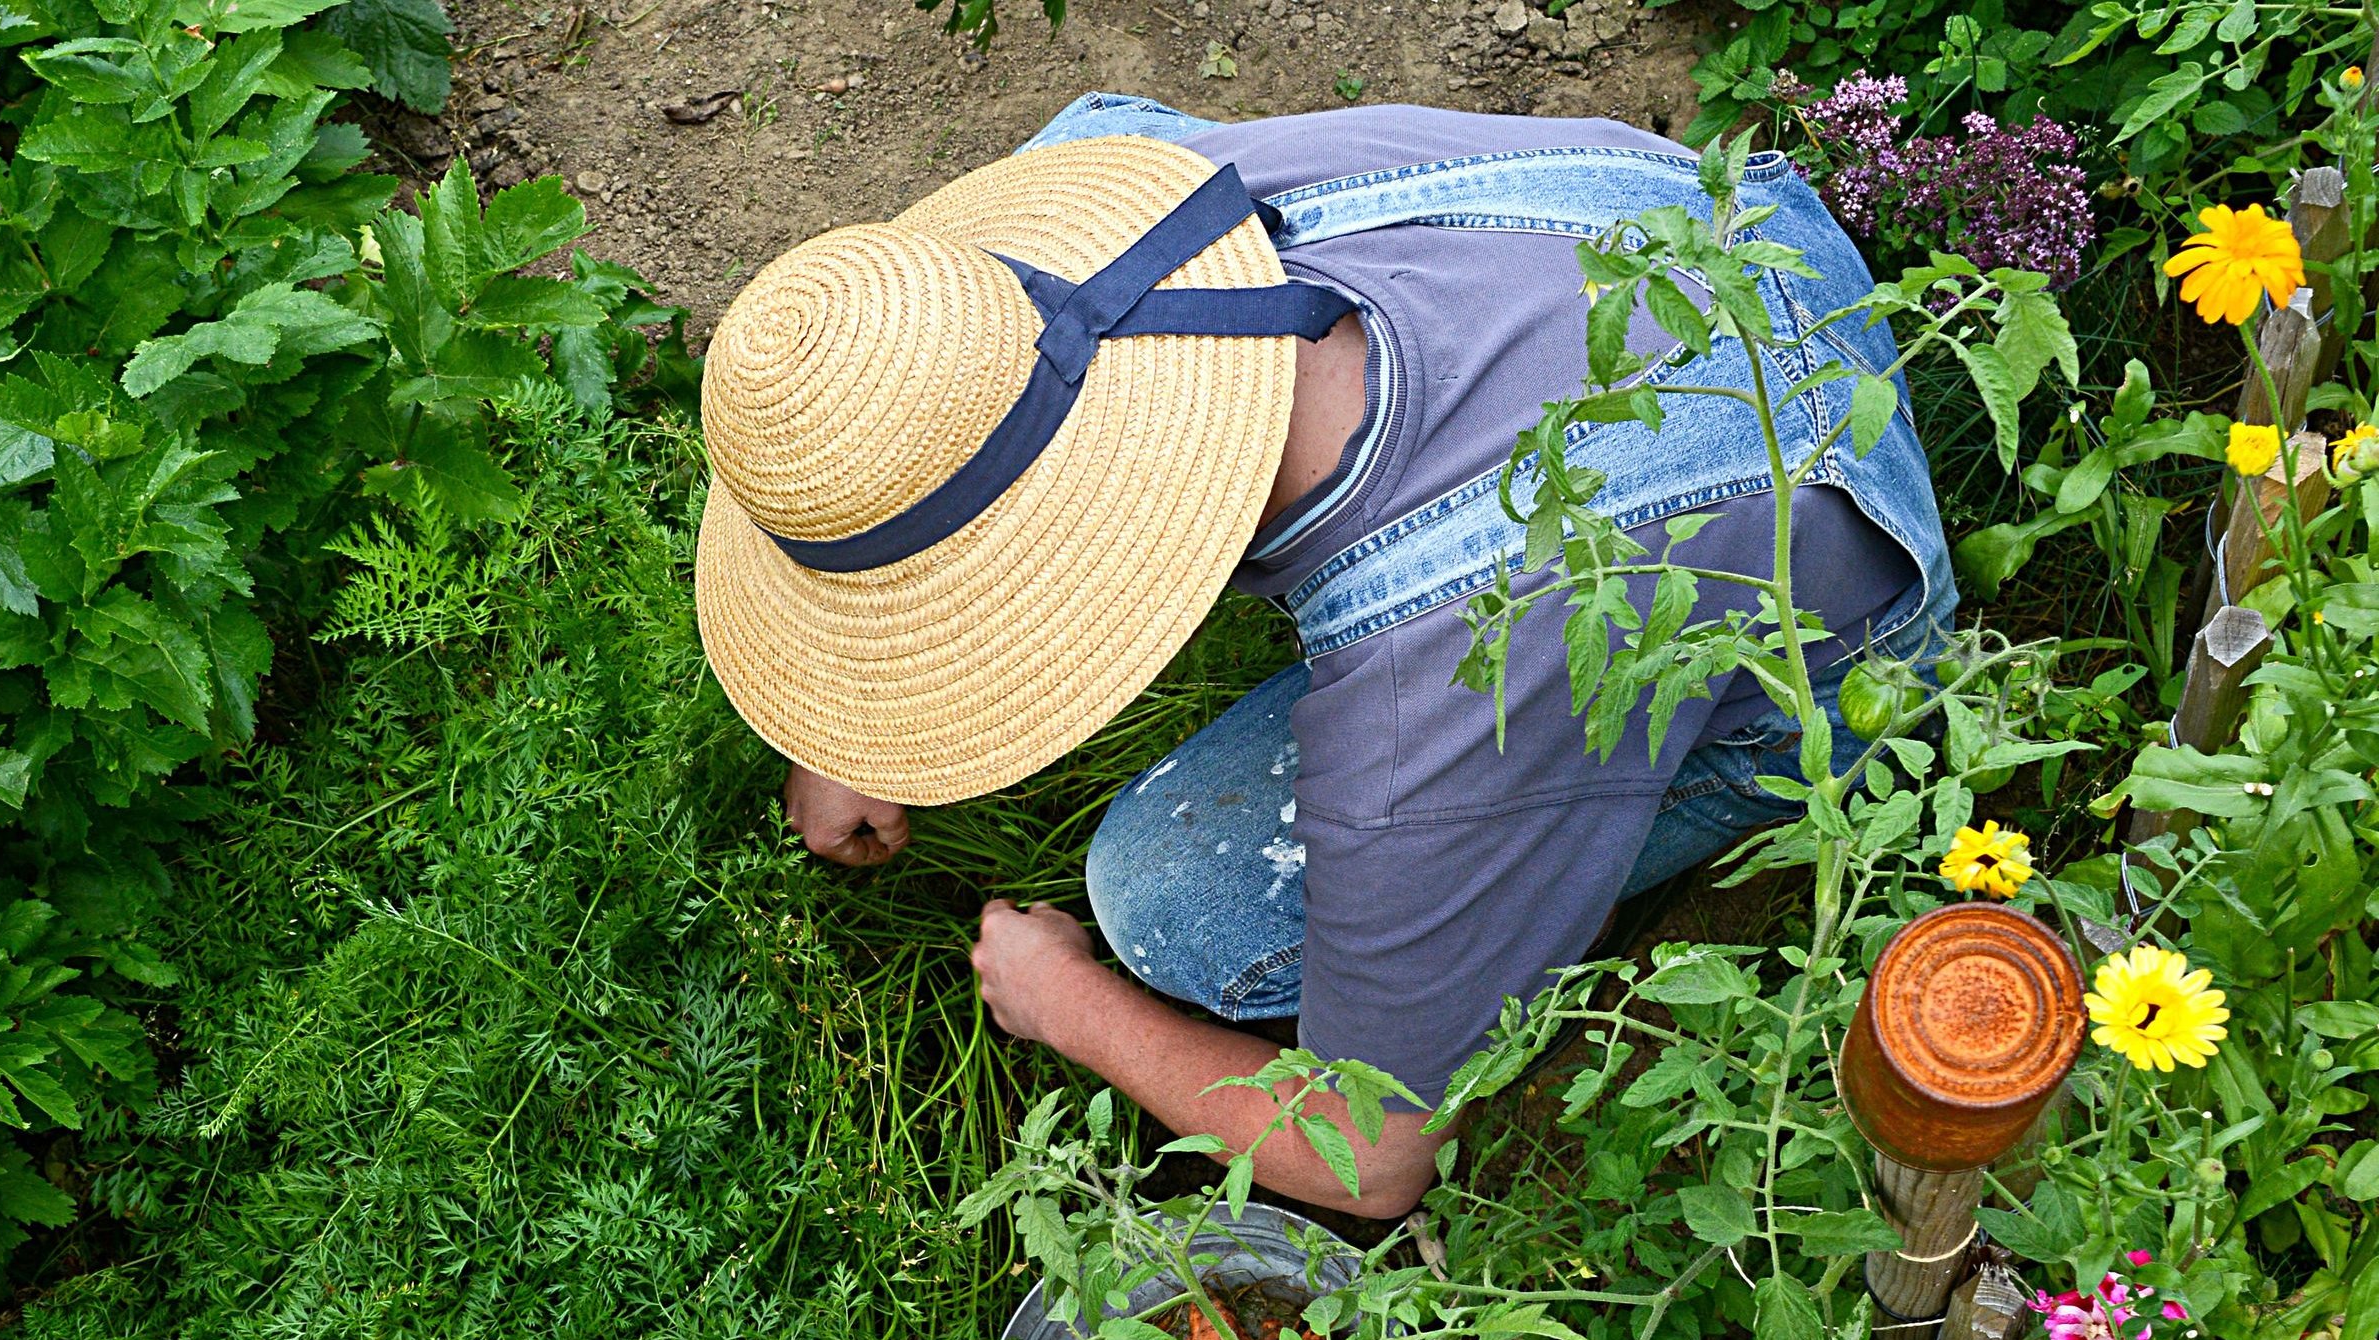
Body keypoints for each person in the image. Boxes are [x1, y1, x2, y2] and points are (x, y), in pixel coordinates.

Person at [692, 95, 1952, 1220]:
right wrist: (842, 718)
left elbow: (1374, 1150)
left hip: (1821, 632)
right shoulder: (1114, 194)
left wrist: (1059, 998)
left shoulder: (1439, 695)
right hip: (1712, 240)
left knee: (1168, 898)